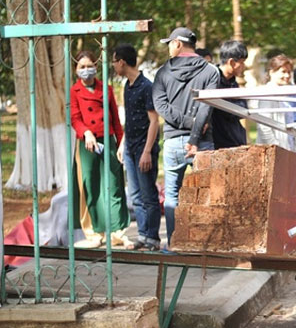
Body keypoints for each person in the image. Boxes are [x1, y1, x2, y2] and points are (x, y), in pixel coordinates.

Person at [152, 27, 220, 244]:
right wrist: (194, 133)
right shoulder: (211, 71)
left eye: (169, 44)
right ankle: (205, 245)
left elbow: (161, 106)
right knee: (207, 194)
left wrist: (185, 124)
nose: (169, 48)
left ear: (177, 44)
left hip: (173, 141)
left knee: (172, 195)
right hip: (202, 142)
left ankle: (174, 244)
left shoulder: (162, 73)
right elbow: (206, 106)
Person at [70, 50, 130, 248]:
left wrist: (121, 143)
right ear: (76, 69)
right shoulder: (74, 91)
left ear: (96, 67)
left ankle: (117, 232)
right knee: (90, 187)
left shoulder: (107, 89)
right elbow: (75, 118)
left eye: (90, 66)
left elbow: (116, 120)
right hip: (87, 144)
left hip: (108, 141)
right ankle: (94, 233)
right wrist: (86, 132)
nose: (86, 70)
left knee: (113, 185)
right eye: (82, 67)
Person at [112, 43, 161, 251]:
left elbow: (154, 121)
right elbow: (130, 120)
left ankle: (153, 238)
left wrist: (147, 151)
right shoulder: (127, 86)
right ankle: (142, 235)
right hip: (130, 148)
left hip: (144, 148)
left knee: (148, 195)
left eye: (114, 62)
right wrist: (123, 143)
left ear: (122, 62)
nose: (114, 66)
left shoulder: (146, 86)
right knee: (135, 195)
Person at [256, 54, 296, 154]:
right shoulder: (267, 93)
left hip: (288, 151)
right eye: (283, 72)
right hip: (274, 153)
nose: (287, 76)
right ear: (271, 72)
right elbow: (264, 127)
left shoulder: (284, 96)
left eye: (289, 72)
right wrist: (276, 150)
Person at [212, 40, 248, 149]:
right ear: (232, 62)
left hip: (235, 140)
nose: (244, 66)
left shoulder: (233, 83)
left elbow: (243, 108)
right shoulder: (213, 80)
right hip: (219, 143)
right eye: (242, 62)